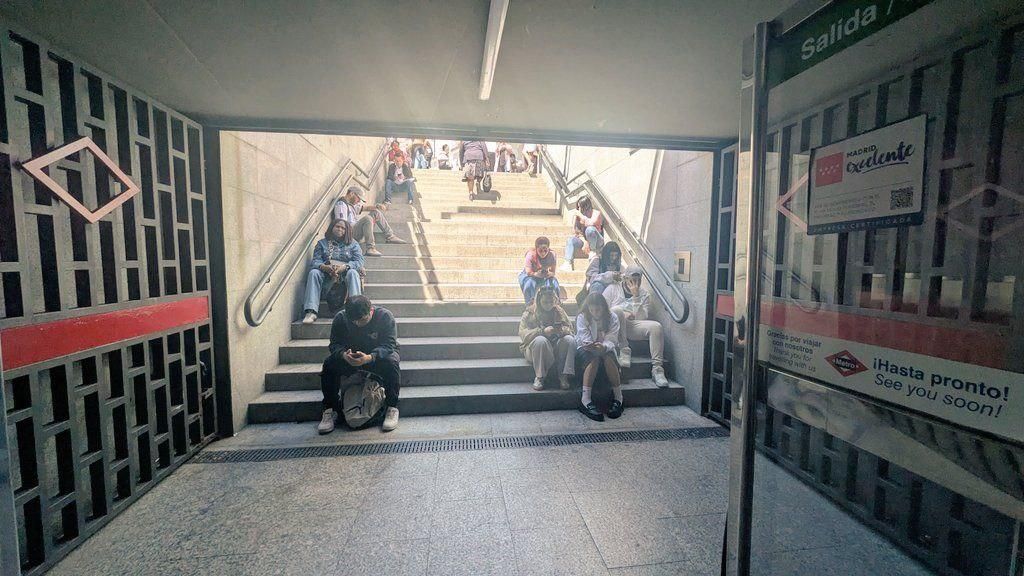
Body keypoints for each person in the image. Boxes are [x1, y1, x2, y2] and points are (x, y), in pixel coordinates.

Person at [318, 295, 401, 434]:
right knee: (329, 364)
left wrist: (370, 357)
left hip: (375, 358)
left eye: (362, 320)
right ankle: (330, 409)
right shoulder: (341, 318)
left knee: (392, 362)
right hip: (350, 358)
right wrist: (343, 355)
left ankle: (392, 407)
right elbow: (334, 344)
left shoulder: (385, 317)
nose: (357, 324)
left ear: (371, 311)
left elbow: (389, 345)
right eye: (354, 321)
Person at [603, 266, 669, 387]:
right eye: (632, 280)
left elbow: (642, 318)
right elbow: (602, 310)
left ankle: (657, 369)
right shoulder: (613, 288)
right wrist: (623, 314)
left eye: (638, 280)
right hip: (614, 327)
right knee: (617, 310)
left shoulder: (644, 294)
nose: (635, 283)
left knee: (656, 326)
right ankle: (624, 349)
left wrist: (636, 297)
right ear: (625, 278)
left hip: (632, 326)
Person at [302, 218, 364, 324]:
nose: (340, 229)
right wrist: (323, 267)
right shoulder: (322, 243)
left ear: (347, 231)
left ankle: (356, 311)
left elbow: (359, 261)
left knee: (353, 272)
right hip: (327, 278)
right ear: (332, 228)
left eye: (343, 228)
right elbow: (315, 261)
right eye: (337, 226)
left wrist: (346, 267)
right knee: (314, 272)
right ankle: (311, 312)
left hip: (345, 279)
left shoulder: (353, 244)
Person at [575, 293, 623, 421]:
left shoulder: (612, 317)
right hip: (586, 349)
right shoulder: (582, 317)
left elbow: (612, 337)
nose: (595, 312)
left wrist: (604, 347)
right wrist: (592, 346)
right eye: (592, 309)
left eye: (598, 309)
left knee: (608, 359)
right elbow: (583, 337)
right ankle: (586, 399)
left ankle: (618, 398)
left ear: (603, 307)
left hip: (606, 348)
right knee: (594, 359)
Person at [518, 286, 575, 391]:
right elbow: (523, 334)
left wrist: (563, 331)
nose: (548, 305)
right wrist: (542, 331)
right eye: (545, 302)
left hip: (556, 346)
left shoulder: (560, 312)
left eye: (551, 302)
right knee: (541, 340)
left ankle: (563, 375)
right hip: (535, 348)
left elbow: (571, 330)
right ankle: (540, 376)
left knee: (569, 340)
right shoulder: (529, 313)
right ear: (539, 301)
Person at [334, 186, 407, 257]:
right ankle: (370, 248)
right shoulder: (341, 205)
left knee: (375, 212)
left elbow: (365, 208)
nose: (359, 201)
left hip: (356, 231)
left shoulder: (351, 204)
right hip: (350, 235)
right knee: (367, 218)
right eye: (358, 198)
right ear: (352, 194)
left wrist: (377, 206)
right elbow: (341, 225)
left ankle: (390, 236)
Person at [560, 196, 604, 272]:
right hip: (585, 240)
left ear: (586, 206)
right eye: (578, 207)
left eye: (580, 207)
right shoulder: (579, 216)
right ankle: (568, 262)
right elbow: (575, 232)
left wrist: (581, 216)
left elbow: (591, 224)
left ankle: (593, 253)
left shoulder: (596, 213)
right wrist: (584, 241)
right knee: (570, 240)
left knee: (590, 230)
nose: (579, 209)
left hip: (597, 241)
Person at [518, 236, 560, 304]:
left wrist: (548, 274)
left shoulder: (552, 255)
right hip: (530, 275)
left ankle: (556, 303)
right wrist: (536, 274)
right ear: (536, 249)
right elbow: (528, 272)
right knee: (529, 284)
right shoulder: (530, 255)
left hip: (544, 275)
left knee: (554, 284)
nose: (543, 253)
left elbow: (553, 272)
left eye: (545, 250)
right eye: (540, 251)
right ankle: (530, 304)